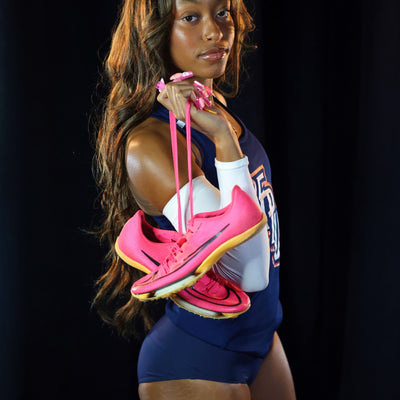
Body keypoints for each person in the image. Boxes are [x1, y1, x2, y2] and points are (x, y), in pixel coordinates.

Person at [92, 0, 296, 398]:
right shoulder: (151, 145)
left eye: (222, 13)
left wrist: (220, 130)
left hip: (260, 337)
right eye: (190, 17)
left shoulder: (211, 108)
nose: (215, 31)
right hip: (198, 357)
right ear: (155, 34)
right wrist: (223, 140)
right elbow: (250, 274)